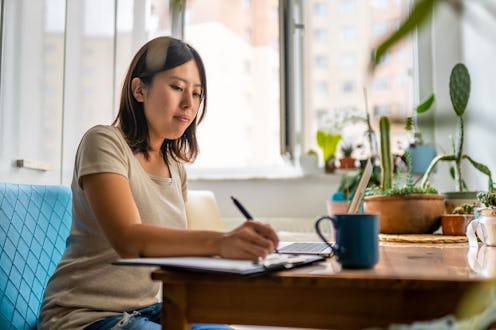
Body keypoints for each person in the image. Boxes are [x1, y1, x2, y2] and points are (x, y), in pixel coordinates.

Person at [38, 36, 279, 330]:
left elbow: (173, 254)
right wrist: (221, 242)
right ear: (139, 89)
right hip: (85, 315)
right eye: (177, 87)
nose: (189, 103)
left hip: (148, 309)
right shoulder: (103, 142)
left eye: (198, 93)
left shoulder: (176, 167)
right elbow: (128, 240)